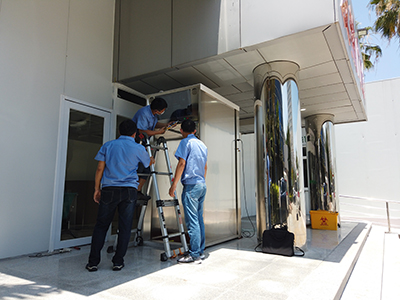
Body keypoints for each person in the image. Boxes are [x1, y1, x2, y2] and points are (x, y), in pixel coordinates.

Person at [86, 119, 154, 272]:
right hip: (129, 190)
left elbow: (99, 169)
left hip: (109, 189)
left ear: (119, 132)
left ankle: (93, 262)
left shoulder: (108, 145)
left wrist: (97, 189)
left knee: (101, 226)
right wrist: (151, 159)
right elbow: (147, 163)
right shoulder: (138, 148)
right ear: (135, 133)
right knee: (124, 227)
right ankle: (118, 262)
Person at [169, 119, 208, 264]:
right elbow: (205, 167)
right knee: (199, 219)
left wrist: (173, 185)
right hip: (201, 184)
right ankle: (200, 251)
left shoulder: (185, 143)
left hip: (191, 186)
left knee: (192, 221)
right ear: (195, 130)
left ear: (181, 131)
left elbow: (182, 163)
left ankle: (194, 254)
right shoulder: (202, 145)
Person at [132, 97, 169, 200]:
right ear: (157, 110)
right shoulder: (143, 113)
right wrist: (158, 132)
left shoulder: (153, 114)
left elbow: (154, 124)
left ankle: (138, 191)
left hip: (144, 142)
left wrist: (165, 125)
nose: (163, 112)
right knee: (140, 167)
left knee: (147, 167)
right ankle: (134, 191)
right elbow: (142, 130)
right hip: (137, 142)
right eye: (163, 110)